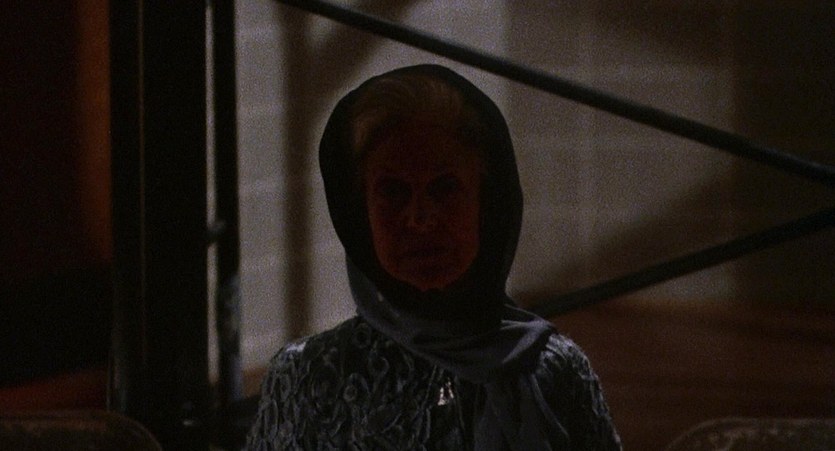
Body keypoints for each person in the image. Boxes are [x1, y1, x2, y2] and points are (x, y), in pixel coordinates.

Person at [247, 64, 621, 450]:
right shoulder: (307, 377)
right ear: (360, 211)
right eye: (392, 191)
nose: (420, 219)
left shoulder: (549, 370)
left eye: (444, 188)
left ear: (485, 202)